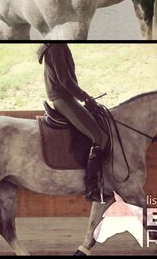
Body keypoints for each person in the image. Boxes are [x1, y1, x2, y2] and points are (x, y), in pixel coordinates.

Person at [38, 43, 109, 202]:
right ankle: (92, 188)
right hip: (63, 99)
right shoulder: (57, 47)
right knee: (100, 138)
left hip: (64, 98)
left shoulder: (56, 46)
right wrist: (86, 97)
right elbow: (65, 81)